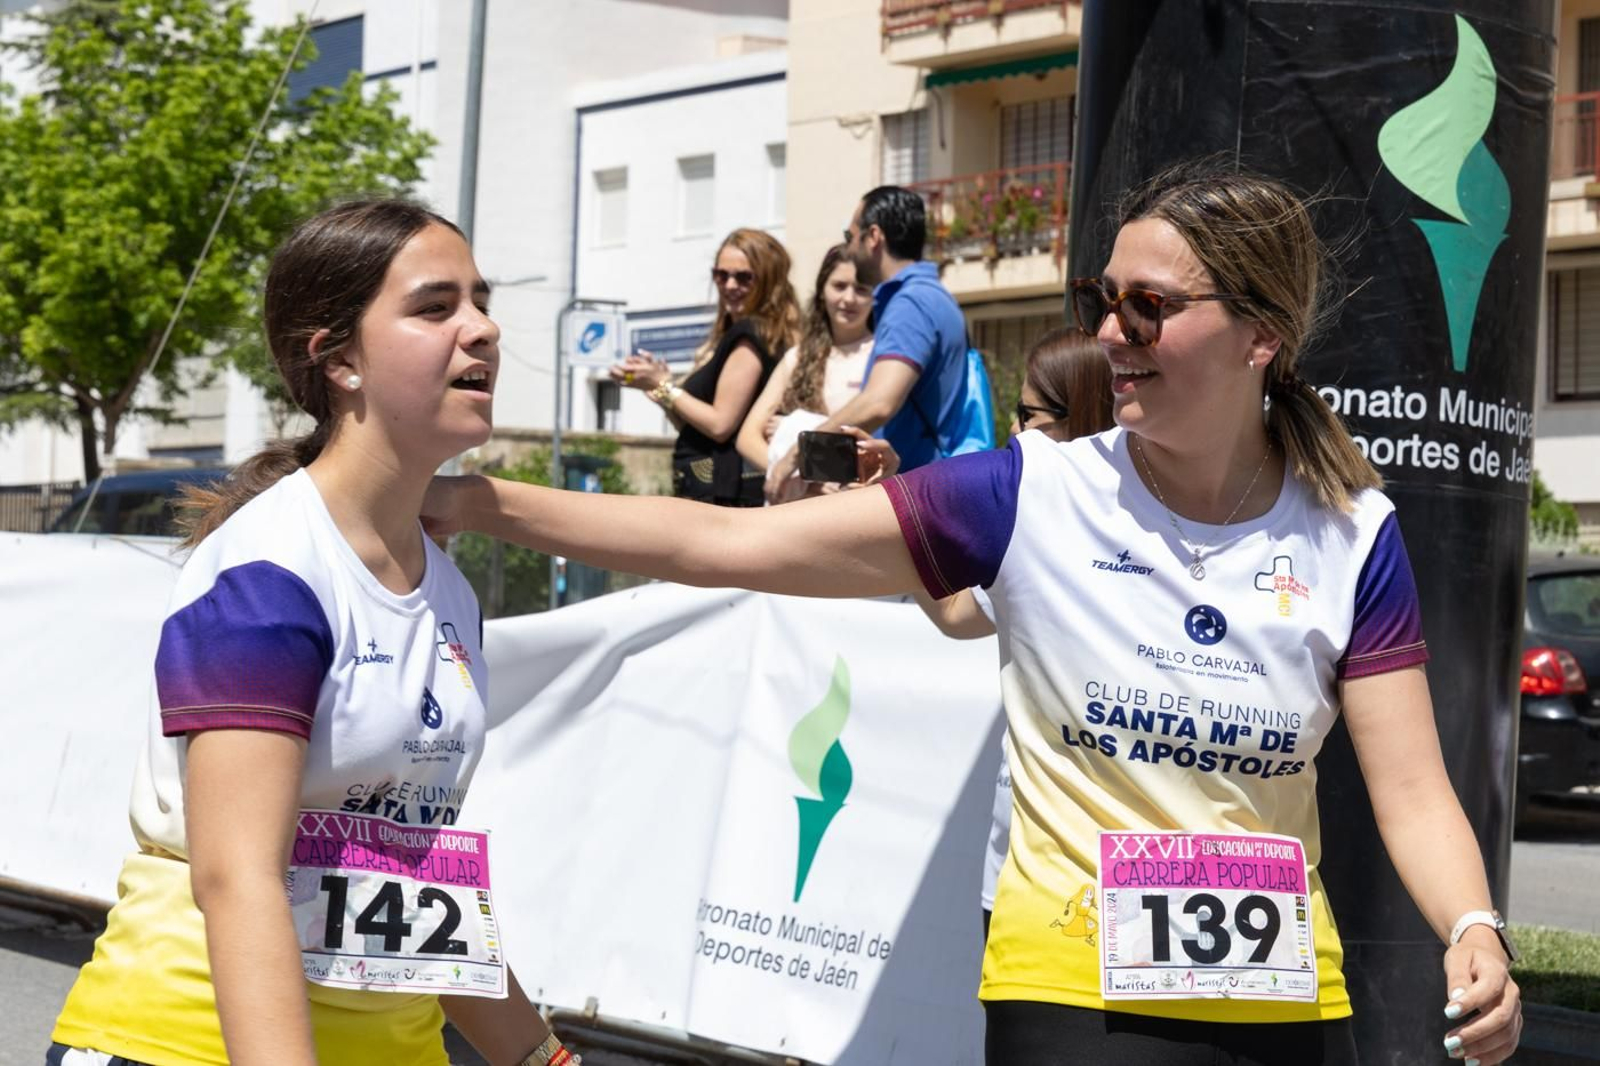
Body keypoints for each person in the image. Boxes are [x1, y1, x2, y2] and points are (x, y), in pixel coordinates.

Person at [421, 162, 1522, 1066]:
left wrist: (1473, 926)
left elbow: (1413, 789)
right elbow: (724, 543)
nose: (1113, 333)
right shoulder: (1029, 490)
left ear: (1260, 335)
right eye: (1101, 300)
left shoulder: (1350, 531)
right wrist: (478, 502)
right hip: (1072, 991)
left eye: (1148, 306)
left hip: (1283, 992)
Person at [49, 201, 577, 1066]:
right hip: (182, 1041)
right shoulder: (269, 570)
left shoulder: (448, 589)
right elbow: (237, 878)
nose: (483, 329)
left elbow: (410, 883)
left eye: (481, 302)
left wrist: (543, 1059)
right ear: (339, 360)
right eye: (435, 307)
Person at [890, 328, 1115, 941]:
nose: (1012, 432)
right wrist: (900, 517)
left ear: (1080, 417)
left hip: (1113, 878)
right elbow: (957, 614)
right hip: (1024, 870)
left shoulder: (1103, 530)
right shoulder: (1034, 520)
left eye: (1026, 414)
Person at [764, 185, 969, 495]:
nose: (849, 248)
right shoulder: (935, 296)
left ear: (873, 237)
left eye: (851, 236)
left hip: (918, 490)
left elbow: (878, 402)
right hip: (933, 484)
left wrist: (797, 453)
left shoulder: (910, 304)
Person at [612, 228, 798, 506]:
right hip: (715, 490)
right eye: (721, 275)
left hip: (726, 494)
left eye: (743, 277)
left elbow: (720, 424)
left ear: (768, 280)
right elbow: (694, 429)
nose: (730, 285)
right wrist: (660, 390)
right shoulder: (750, 334)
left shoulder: (751, 335)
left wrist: (663, 386)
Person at [734, 243, 873, 504]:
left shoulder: (883, 357)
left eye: (861, 289)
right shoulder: (797, 357)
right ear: (822, 291)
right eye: (839, 286)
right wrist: (797, 476)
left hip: (861, 503)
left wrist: (792, 429)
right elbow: (747, 437)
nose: (849, 298)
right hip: (803, 507)